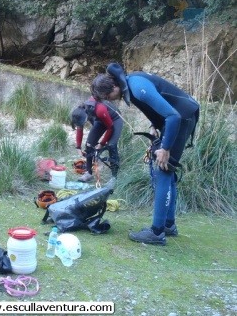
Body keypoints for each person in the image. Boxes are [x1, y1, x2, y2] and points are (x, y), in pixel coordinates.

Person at [91, 63, 199, 245]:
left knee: (164, 170)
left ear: (114, 87)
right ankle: (168, 225)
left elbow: (173, 116)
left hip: (182, 118)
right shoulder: (130, 84)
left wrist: (165, 148)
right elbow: (158, 106)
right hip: (175, 118)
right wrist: (154, 125)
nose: (111, 100)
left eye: (108, 97)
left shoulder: (137, 87)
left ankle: (157, 233)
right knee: (166, 172)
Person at [70, 96, 123, 187]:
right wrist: (78, 147)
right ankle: (89, 173)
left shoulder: (99, 110)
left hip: (115, 119)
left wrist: (102, 143)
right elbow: (79, 129)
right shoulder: (80, 113)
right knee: (89, 144)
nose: (82, 125)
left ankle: (114, 177)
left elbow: (110, 128)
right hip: (101, 120)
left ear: (86, 116)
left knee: (111, 145)